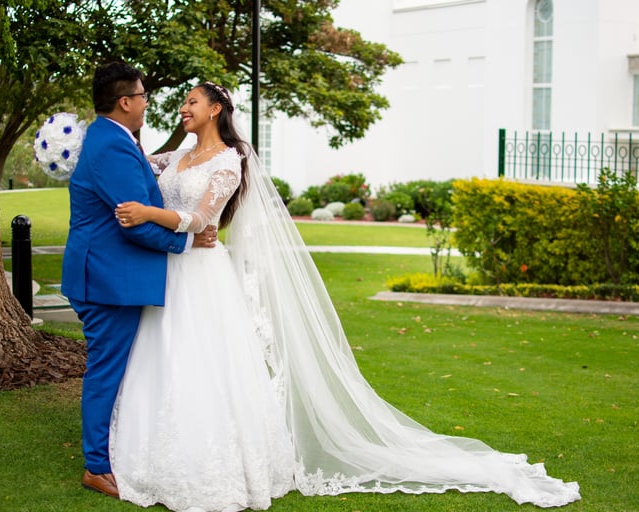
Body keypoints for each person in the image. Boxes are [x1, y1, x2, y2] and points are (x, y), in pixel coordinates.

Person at [110, 81, 581, 511]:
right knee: (166, 355)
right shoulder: (174, 157)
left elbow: (202, 220)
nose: (183, 108)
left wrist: (148, 213)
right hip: (170, 270)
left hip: (204, 275)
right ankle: (153, 453)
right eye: (184, 102)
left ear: (215, 109)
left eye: (192, 101)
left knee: (207, 363)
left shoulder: (229, 160)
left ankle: (217, 464)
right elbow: (132, 162)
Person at [60, 62, 217, 498]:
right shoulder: (111, 145)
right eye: (144, 95)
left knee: (119, 367)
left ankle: (117, 450)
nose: (148, 103)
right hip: (107, 278)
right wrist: (188, 242)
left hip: (111, 274)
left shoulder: (114, 138)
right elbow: (134, 223)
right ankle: (96, 466)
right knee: (106, 370)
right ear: (126, 101)